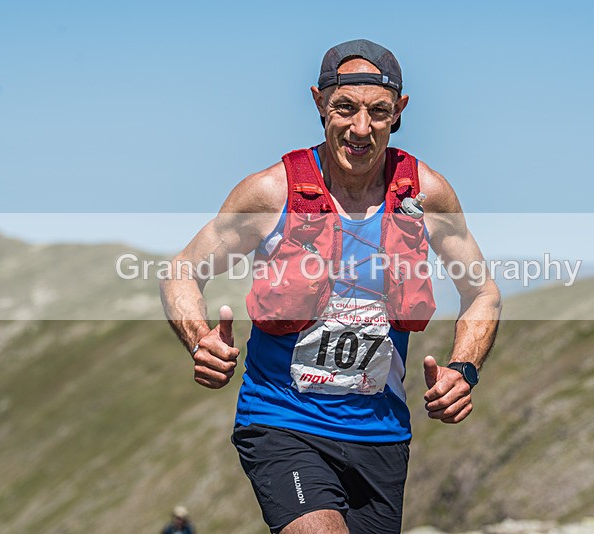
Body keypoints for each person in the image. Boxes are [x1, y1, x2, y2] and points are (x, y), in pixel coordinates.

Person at [160, 39, 501, 534]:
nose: (360, 129)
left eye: (378, 112)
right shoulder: (271, 192)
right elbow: (182, 272)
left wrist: (465, 368)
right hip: (282, 421)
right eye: (345, 108)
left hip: (381, 435)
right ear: (320, 103)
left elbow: (482, 292)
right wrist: (198, 339)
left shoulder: (424, 194)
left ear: (399, 111)